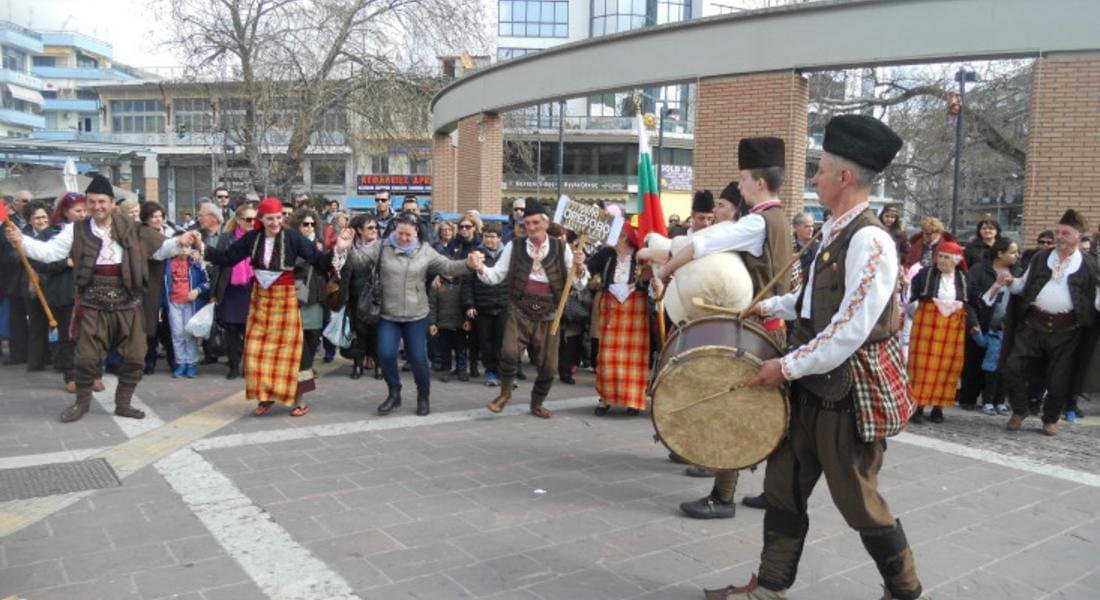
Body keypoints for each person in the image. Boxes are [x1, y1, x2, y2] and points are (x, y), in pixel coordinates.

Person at [708, 115, 925, 600]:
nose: (813, 178)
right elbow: (813, 302)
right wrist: (768, 304)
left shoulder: (870, 240)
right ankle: (769, 588)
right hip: (810, 385)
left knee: (859, 504)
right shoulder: (833, 230)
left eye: (821, 169)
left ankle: (906, 591)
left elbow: (850, 329)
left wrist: (783, 366)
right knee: (782, 489)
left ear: (844, 177)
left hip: (848, 395)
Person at [657, 137, 793, 521]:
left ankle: (722, 497)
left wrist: (664, 271)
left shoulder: (756, 222)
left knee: (732, 408)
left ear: (759, 183)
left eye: (744, 179)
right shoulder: (783, 218)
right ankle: (776, 493)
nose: (741, 186)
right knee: (772, 412)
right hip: (776, 327)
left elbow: (703, 244)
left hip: (756, 329)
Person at [6, 175, 199, 422]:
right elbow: (49, 252)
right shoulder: (75, 229)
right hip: (92, 303)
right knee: (86, 358)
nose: (96, 207)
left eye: (102, 202)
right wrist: (21, 241)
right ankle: (82, 404)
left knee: (134, 357)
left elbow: (161, 250)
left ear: (112, 203)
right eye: (92, 202)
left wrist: (179, 242)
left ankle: (123, 404)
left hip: (128, 302)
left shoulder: (133, 228)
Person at [203, 198, 336, 417]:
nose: (275, 222)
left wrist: (337, 250)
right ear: (261, 220)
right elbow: (227, 258)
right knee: (258, 349)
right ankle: (266, 397)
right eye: (270, 218)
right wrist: (201, 248)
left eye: (278, 218)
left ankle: (299, 401)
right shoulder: (252, 238)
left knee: (291, 351)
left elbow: (317, 260)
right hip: (261, 300)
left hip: (285, 300)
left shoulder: (293, 237)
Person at [341, 212, 478, 416]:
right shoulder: (383, 246)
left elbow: (448, 266)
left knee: (418, 359)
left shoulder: (425, 250)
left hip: (416, 314)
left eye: (408, 235)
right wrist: (346, 247)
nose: (403, 238)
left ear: (417, 233)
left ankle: (423, 396)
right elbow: (358, 260)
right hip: (388, 314)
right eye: (400, 233)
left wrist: (468, 264)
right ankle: (394, 393)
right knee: (386, 355)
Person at [471, 199, 587, 418]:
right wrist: (480, 268)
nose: (531, 227)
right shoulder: (514, 246)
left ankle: (537, 403)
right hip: (520, 311)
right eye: (527, 223)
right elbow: (496, 276)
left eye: (535, 222)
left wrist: (580, 268)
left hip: (550, 313)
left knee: (549, 366)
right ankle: (504, 394)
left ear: (545, 222)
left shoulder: (561, 247)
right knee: (509, 353)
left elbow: (579, 284)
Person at [1000, 209, 1100, 436]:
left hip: (1067, 330)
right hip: (1033, 325)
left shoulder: (1090, 265)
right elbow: (1022, 287)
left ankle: (1050, 419)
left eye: (1065, 233)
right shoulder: (1040, 258)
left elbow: (1096, 302)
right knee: (1011, 367)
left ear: (1078, 236)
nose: (1059, 236)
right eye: (1058, 232)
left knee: (1059, 380)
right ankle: (1020, 409)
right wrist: (1010, 281)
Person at [906, 240, 973, 424]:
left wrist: (973, 324)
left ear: (956, 260)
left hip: (952, 327)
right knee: (921, 366)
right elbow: (910, 298)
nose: (942, 261)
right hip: (927, 324)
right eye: (940, 256)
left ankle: (938, 407)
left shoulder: (964, 279)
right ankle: (917, 407)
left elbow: (970, 303)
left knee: (947, 366)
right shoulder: (925, 274)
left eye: (947, 257)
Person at [588, 223, 649, 416]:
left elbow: (651, 279)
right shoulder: (606, 255)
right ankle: (605, 398)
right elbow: (587, 270)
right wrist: (580, 262)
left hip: (635, 309)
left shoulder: (641, 255)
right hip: (611, 309)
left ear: (623, 236)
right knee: (607, 356)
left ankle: (633, 400)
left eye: (613, 235)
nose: (608, 239)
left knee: (634, 357)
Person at [967, 236, 1020, 415]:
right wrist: (973, 322)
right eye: (1012, 252)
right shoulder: (979, 270)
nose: (1016, 256)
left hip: (1008, 329)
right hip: (984, 324)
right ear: (1000, 253)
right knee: (979, 364)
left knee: (1004, 367)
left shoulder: (1018, 272)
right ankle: (974, 399)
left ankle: (999, 400)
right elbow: (971, 300)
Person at [285, 208, 327, 416]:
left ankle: (301, 390)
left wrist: (320, 253)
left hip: (315, 301)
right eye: (305, 224)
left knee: (310, 345)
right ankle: (295, 397)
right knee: (295, 350)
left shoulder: (320, 244)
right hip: (292, 301)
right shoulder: (289, 244)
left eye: (312, 224)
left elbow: (329, 267)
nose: (309, 228)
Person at [210, 204, 256, 380]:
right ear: (238, 220)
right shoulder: (226, 238)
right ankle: (234, 366)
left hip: (251, 288)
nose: (252, 223)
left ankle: (248, 366)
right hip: (230, 289)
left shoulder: (260, 238)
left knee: (250, 331)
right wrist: (214, 293)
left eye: (255, 219)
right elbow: (219, 265)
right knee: (231, 330)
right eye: (248, 219)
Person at [463, 222, 509, 387]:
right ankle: (490, 371)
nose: (488, 240)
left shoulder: (507, 254)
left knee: (503, 341)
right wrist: (470, 304)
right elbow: (467, 282)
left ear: (499, 238)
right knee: (486, 342)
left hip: (504, 305)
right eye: (486, 236)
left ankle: (504, 372)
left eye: (492, 236)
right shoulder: (476, 254)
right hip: (483, 305)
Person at [138, 202, 178, 375]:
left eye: (160, 216)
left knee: (167, 325)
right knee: (152, 325)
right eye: (153, 216)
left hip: (167, 285)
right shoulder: (144, 234)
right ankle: (150, 360)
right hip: (152, 286)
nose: (157, 219)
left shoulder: (168, 232)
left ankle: (172, 360)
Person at [342, 215, 380, 380]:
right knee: (358, 332)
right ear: (359, 230)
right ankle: (357, 365)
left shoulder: (382, 247)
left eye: (375, 227)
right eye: (370, 227)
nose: (374, 230)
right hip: (355, 294)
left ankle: (379, 366)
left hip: (376, 295)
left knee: (377, 332)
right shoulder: (350, 246)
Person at [164, 243, 209, 378]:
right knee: (177, 334)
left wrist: (197, 290)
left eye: (187, 247)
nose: (184, 249)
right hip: (173, 303)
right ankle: (181, 363)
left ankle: (191, 363)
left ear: (191, 249)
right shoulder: (168, 264)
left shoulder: (196, 264)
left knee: (189, 334)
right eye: (180, 246)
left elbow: (207, 282)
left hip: (191, 304)